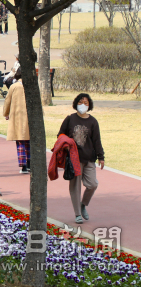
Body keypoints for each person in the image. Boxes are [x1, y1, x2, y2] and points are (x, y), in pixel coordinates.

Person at [58, 93, 105, 224]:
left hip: (89, 158)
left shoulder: (93, 122)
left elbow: (97, 141)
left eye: (86, 103)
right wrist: (66, 145)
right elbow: (60, 134)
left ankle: (83, 204)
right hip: (74, 159)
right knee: (75, 187)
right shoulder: (70, 119)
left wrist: (101, 157)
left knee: (92, 184)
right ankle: (78, 213)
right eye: (80, 102)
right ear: (75, 103)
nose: (83, 105)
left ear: (89, 105)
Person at [3, 69, 30, 173]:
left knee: (20, 141)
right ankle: (30, 164)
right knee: (29, 141)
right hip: (29, 118)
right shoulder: (31, 86)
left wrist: (6, 113)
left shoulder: (14, 87)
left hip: (17, 117)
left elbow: (7, 101)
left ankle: (23, 166)